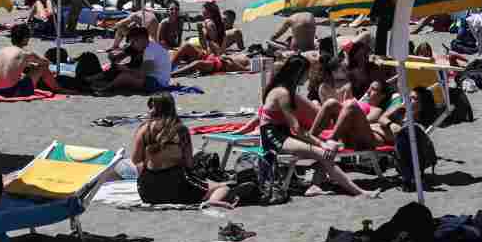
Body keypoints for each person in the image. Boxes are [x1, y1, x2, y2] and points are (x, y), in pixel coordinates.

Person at [258, 55, 378, 197]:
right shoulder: (283, 93)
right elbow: (296, 129)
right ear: (299, 73)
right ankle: (360, 192)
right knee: (324, 153)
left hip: (279, 132)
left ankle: (317, 185)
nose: (308, 77)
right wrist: (321, 143)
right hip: (274, 135)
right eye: (307, 73)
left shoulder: (282, 89)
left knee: (325, 152)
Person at [131, 93, 235, 208]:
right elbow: (188, 163)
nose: (149, 111)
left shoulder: (143, 129)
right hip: (178, 189)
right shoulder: (180, 129)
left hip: (148, 193)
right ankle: (212, 200)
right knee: (222, 187)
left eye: (151, 107)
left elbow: (135, 160)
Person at [0, 23, 61, 97]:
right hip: (13, 92)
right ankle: (57, 89)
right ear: (25, 38)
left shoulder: (1, 51)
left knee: (28, 68)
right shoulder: (25, 53)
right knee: (42, 67)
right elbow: (46, 62)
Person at [97, 26, 171, 93]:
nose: (132, 45)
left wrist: (125, 69)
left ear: (142, 39)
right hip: (157, 80)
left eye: (133, 42)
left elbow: (143, 74)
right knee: (120, 70)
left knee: (124, 76)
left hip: (157, 84)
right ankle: (97, 80)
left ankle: (105, 89)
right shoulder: (151, 46)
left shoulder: (150, 51)